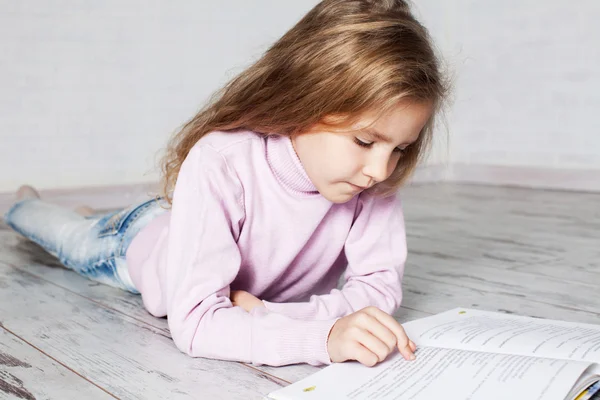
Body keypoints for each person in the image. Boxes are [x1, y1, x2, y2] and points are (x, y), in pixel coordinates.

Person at [4, 0, 449, 368]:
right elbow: (197, 324)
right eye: (365, 140)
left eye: (399, 149)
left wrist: (271, 314)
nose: (381, 170)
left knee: (154, 224)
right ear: (305, 100)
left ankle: (102, 217)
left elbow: (379, 289)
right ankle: (25, 205)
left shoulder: (367, 178)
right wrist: (321, 336)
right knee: (67, 237)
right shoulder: (221, 160)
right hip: (139, 246)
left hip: (194, 230)